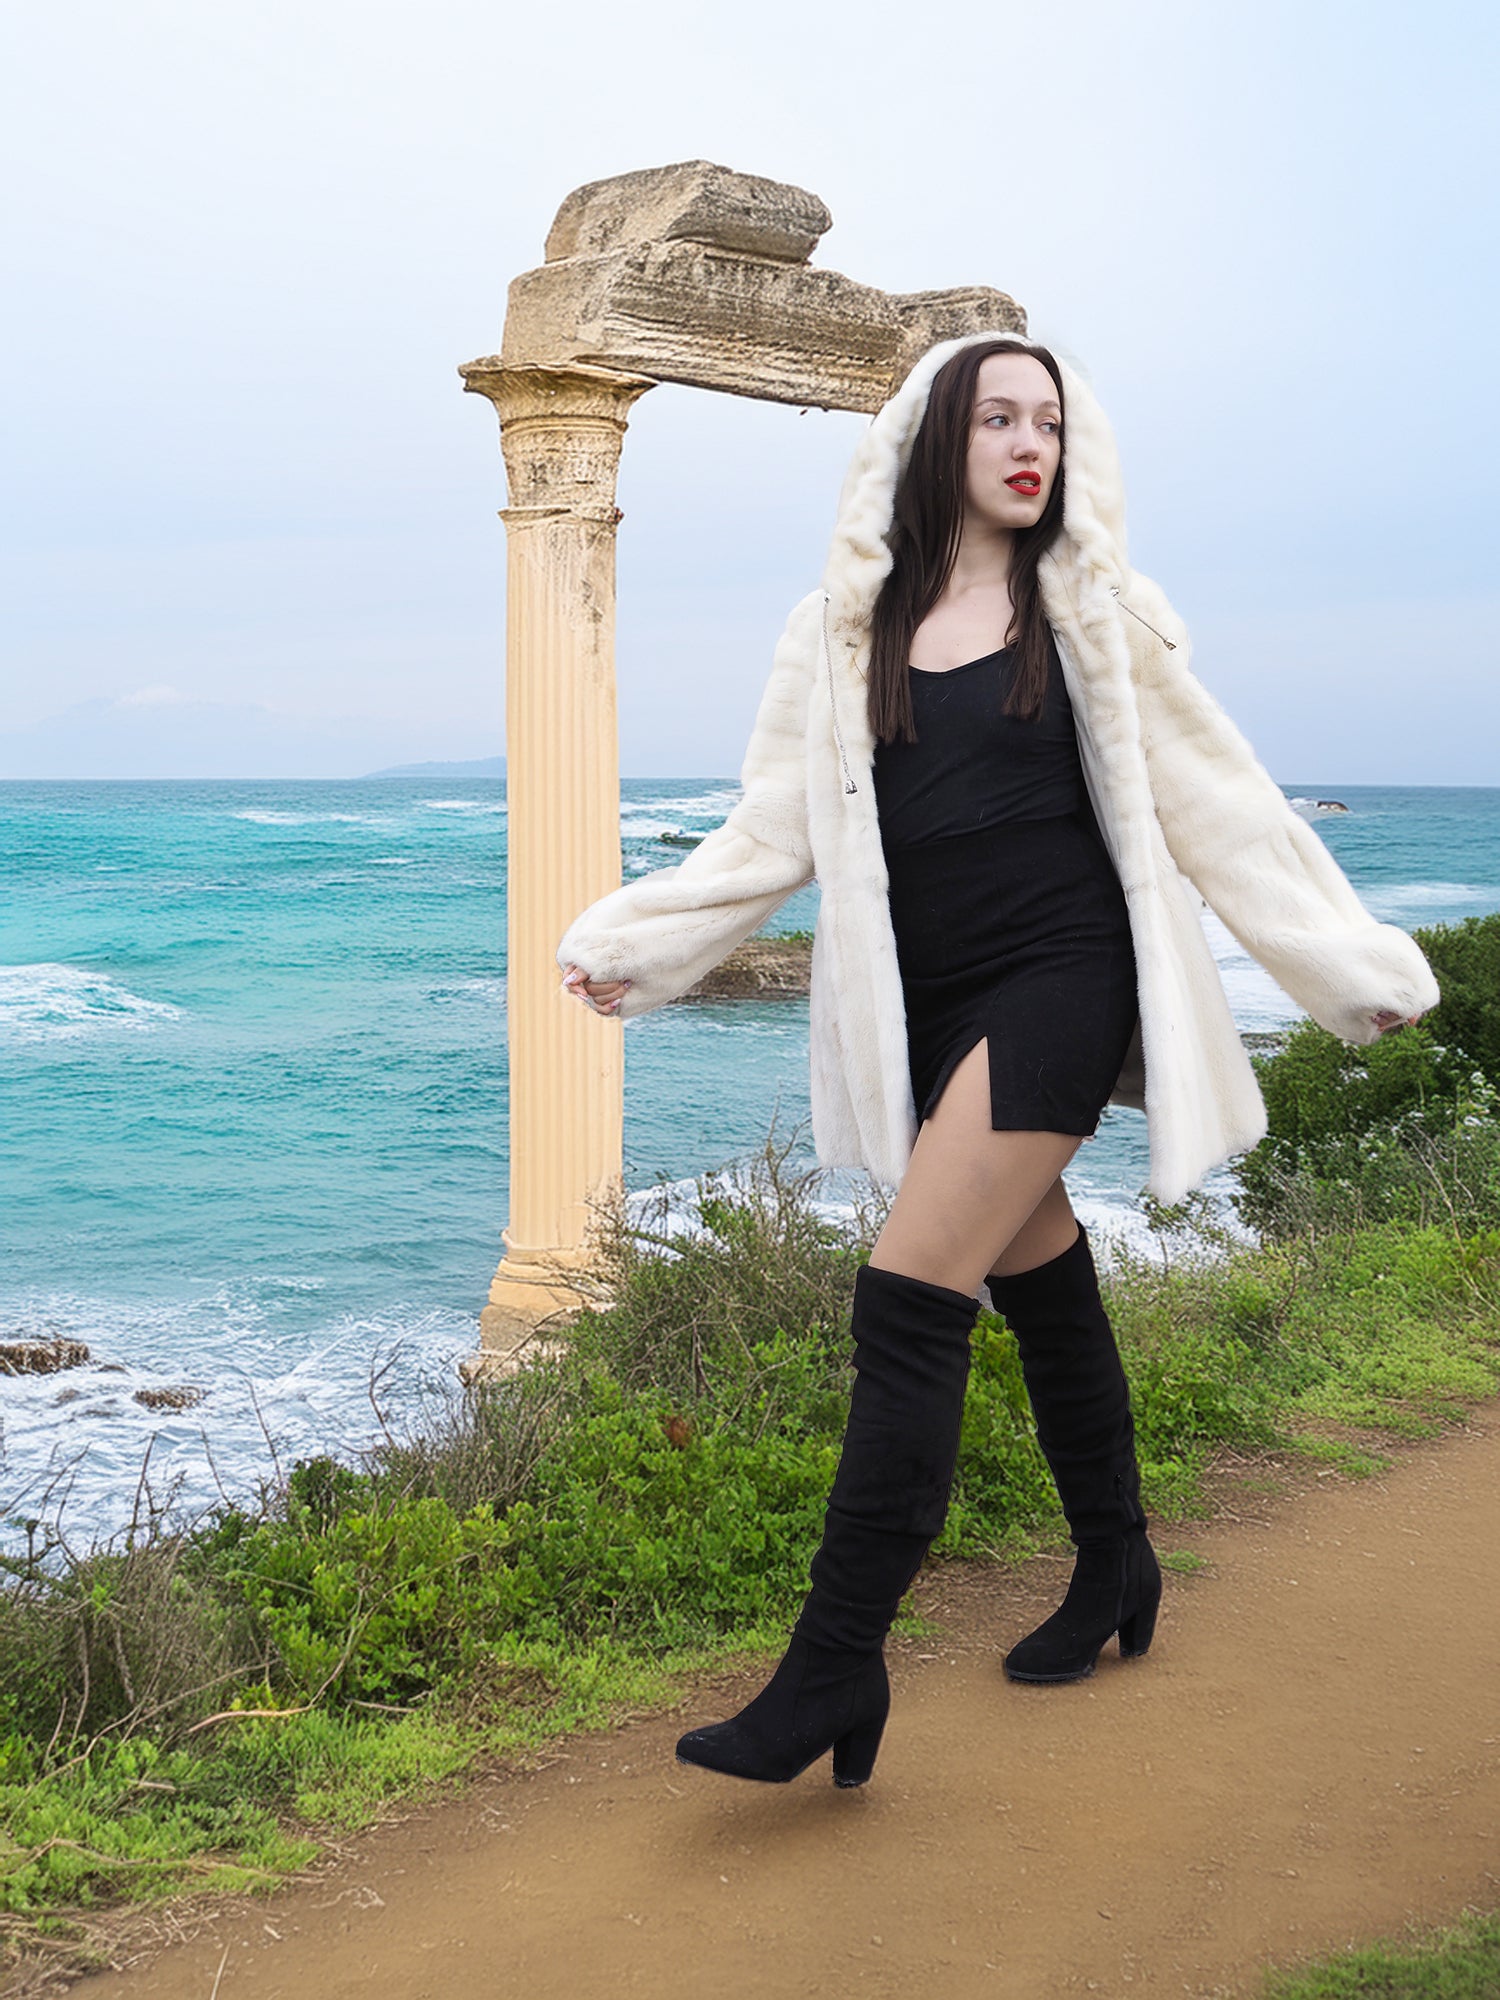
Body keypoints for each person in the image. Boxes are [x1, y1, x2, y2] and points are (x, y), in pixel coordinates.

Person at [556, 331, 1440, 1789]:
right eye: (998, 421)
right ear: (932, 445)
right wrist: (643, 948)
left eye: (1051, 421)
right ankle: (1118, 1562)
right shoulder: (836, 630)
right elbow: (770, 829)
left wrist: (1346, 971)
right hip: (926, 995)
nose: (1031, 445)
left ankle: (835, 1667)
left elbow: (1224, 802)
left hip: (1062, 979)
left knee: (908, 1297)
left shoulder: (1095, 608)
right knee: (1034, 1268)